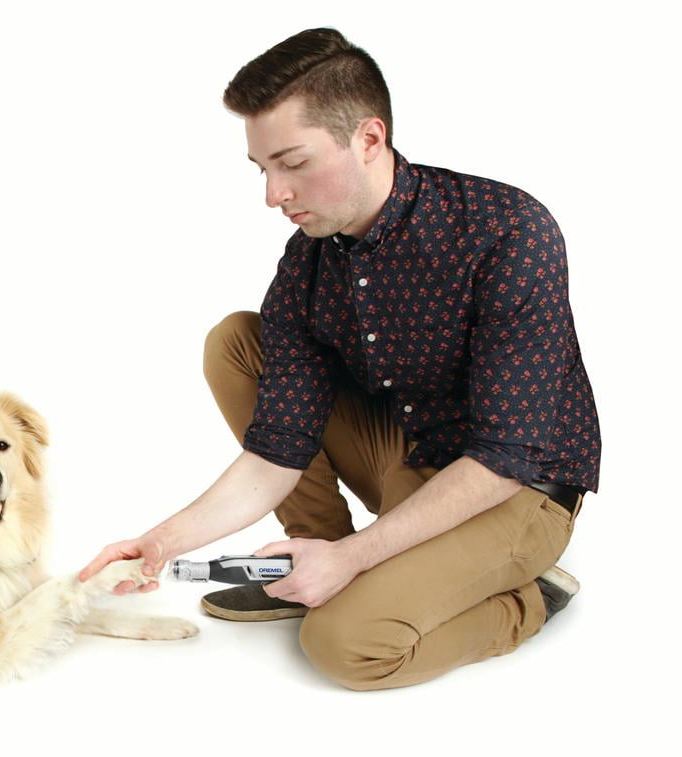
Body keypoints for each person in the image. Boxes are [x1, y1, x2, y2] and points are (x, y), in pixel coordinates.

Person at [78, 27, 600, 690]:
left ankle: (529, 598)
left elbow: (504, 458)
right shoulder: (309, 261)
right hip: (407, 455)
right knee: (238, 343)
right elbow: (276, 450)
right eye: (262, 168)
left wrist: (358, 556)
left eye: (293, 163)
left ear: (369, 139)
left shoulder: (507, 231)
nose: (274, 193)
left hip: (516, 488)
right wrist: (160, 542)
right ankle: (312, 562)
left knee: (346, 645)